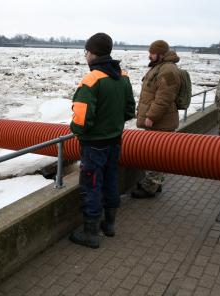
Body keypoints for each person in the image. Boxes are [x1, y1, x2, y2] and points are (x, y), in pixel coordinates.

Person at [69, 33, 135, 248]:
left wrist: (78, 131)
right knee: (110, 179)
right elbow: (129, 110)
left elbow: (81, 120)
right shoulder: (122, 76)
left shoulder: (91, 80)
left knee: (91, 185)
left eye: (85, 52)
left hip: (94, 144)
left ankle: (91, 232)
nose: (85, 55)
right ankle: (109, 225)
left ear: (92, 53)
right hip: (115, 140)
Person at [132, 40, 181, 199]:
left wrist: (151, 116)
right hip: (159, 120)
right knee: (153, 153)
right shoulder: (160, 67)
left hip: (161, 121)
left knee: (156, 154)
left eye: (152, 53)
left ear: (160, 53)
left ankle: (151, 187)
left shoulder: (168, 70)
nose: (149, 55)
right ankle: (154, 183)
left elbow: (164, 97)